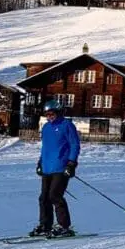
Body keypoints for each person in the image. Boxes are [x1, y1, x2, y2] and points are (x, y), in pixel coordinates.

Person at [29, 99, 80, 237]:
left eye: (52, 114)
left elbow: (75, 145)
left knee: (55, 196)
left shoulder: (67, 125)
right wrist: (40, 163)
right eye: (47, 114)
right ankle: (45, 225)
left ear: (58, 112)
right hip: (47, 167)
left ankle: (64, 227)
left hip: (61, 167)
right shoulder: (46, 128)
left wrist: (71, 163)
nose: (49, 117)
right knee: (44, 197)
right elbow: (46, 148)